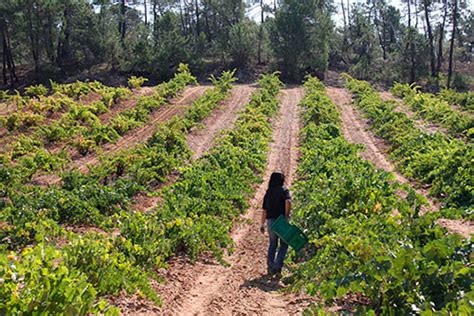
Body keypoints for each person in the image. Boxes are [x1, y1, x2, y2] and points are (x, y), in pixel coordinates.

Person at [261, 171, 292, 276]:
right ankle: (277, 267)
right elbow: (288, 202)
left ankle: (270, 267)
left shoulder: (268, 192)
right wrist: (286, 215)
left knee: (272, 244)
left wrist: (262, 224)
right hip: (281, 221)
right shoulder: (284, 190)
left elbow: (264, 209)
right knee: (284, 244)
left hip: (270, 221)